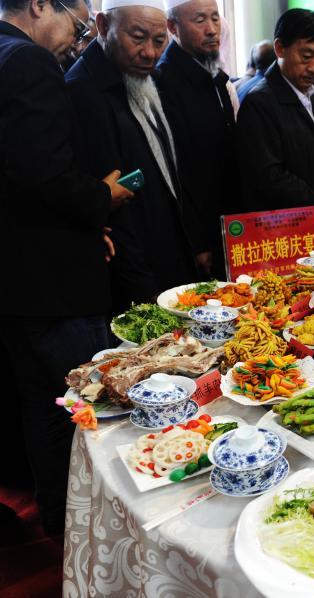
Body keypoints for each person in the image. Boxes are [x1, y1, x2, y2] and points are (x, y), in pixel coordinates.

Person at [0, 0, 134, 534]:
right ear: (39, 4)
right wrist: (102, 197)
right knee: (87, 408)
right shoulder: (28, 61)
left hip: (17, 281)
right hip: (54, 284)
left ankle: (62, 522)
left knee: (43, 405)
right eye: (77, 26)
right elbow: (47, 177)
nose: (75, 43)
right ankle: (94, 530)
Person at [67, 0, 200, 310]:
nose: (150, 53)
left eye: (159, 40)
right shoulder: (84, 91)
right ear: (103, 26)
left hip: (167, 261)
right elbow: (113, 210)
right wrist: (145, 293)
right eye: (137, 38)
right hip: (134, 283)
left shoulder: (146, 77)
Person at [236, 8, 314, 252]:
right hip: (281, 233)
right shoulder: (259, 102)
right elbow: (267, 177)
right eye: (306, 56)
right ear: (280, 48)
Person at [157, 0, 238, 278]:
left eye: (215, 18)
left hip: (229, 221)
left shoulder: (213, 72)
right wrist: (197, 241)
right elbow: (177, 171)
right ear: (173, 27)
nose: (212, 29)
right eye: (200, 20)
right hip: (199, 233)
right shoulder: (164, 80)